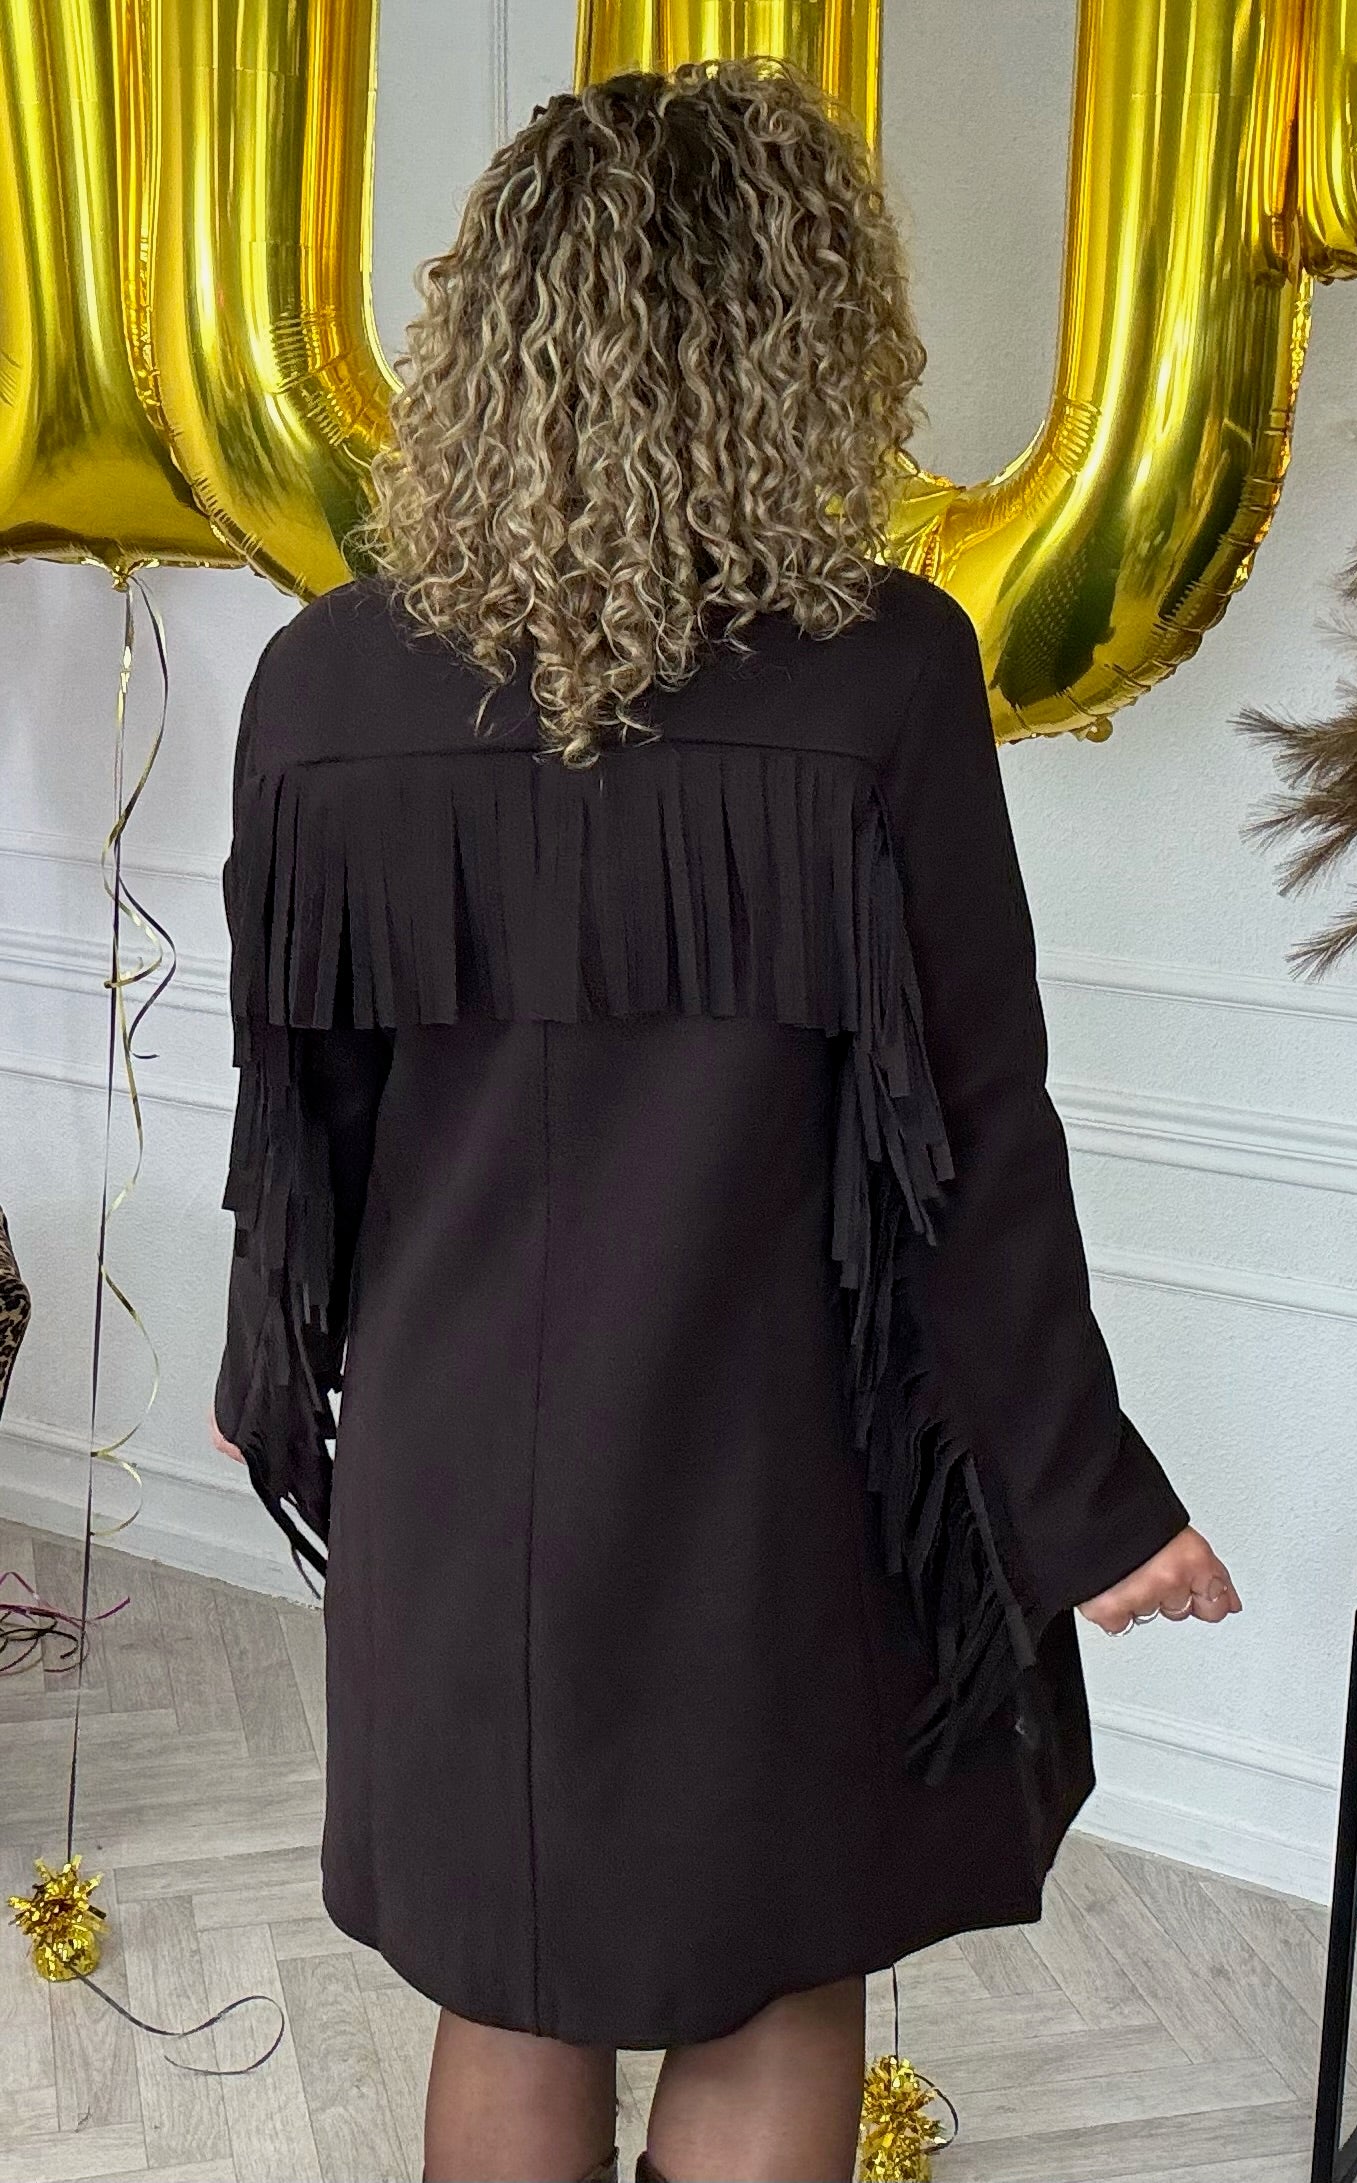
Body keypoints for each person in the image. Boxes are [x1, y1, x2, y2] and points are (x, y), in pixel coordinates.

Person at [208, 55, 1241, 2183]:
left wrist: (268, 1372)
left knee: (508, 1983)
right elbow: (974, 1138)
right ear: (802, 343)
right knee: (769, 1981)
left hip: (452, 1481)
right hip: (763, 1480)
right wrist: (1087, 1503)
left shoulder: (321, 687)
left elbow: (298, 1117)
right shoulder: (882, 676)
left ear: (488, 341)